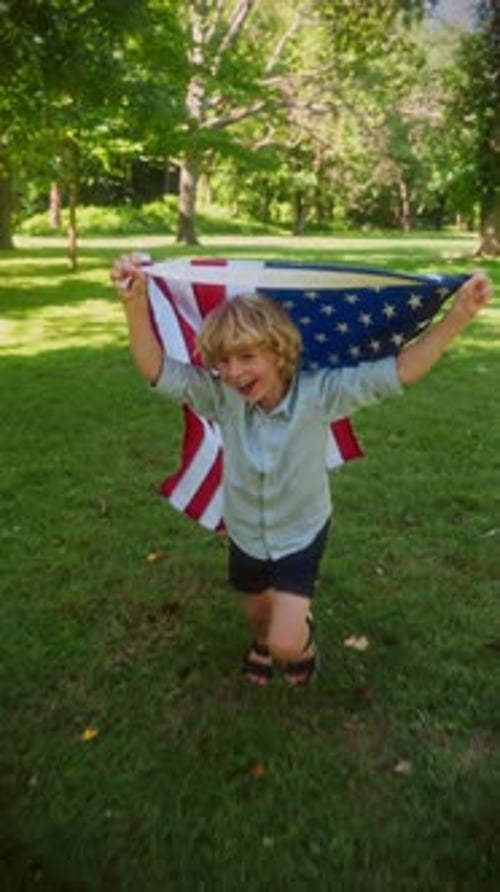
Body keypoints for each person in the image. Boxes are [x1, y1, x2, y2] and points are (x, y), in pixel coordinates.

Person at [111, 255, 491, 687]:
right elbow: (156, 369)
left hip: (300, 533)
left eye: (247, 357)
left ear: (280, 353)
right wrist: (135, 304)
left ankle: (298, 644)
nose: (234, 372)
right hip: (245, 533)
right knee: (257, 613)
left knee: (287, 642)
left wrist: (458, 317)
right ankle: (261, 640)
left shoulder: (319, 394)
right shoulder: (221, 396)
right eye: (223, 362)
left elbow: (399, 371)